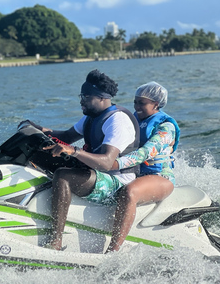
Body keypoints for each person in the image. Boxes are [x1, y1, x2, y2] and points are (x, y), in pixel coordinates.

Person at [26, 69, 140, 251]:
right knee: (40, 155)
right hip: (97, 172)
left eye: (86, 96)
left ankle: (55, 241)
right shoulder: (91, 117)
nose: (81, 100)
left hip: (117, 181)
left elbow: (107, 163)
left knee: (63, 175)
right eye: (81, 95)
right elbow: (66, 136)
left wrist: (74, 151)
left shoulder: (118, 121)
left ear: (102, 98)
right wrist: (38, 130)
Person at [105, 81, 180, 253]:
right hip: (133, 172)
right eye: (135, 102)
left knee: (129, 192)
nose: (137, 106)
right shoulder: (132, 121)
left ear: (156, 104)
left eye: (142, 103)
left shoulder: (166, 127)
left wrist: (113, 164)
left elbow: (145, 153)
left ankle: (112, 252)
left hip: (160, 178)